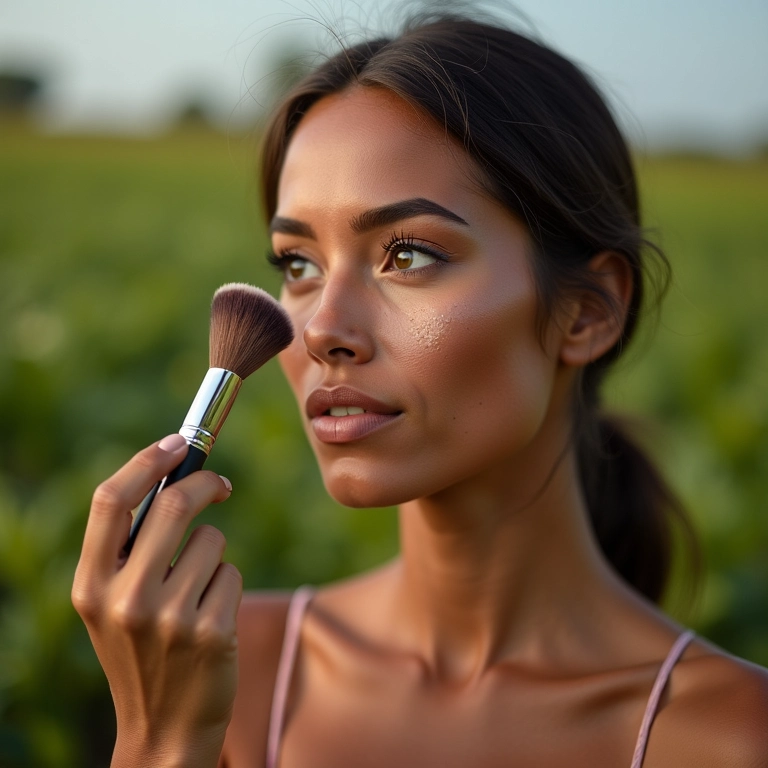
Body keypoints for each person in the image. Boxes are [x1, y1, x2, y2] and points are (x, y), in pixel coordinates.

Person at [72, 12, 768, 768]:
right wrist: (162, 743)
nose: (320, 330)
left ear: (587, 312)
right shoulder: (227, 674)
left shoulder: (729, 737)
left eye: (407, 254)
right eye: (298, 264)